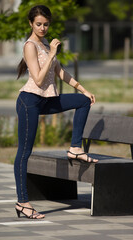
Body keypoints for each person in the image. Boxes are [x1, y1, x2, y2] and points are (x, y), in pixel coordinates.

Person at [14, 5, 98, 220]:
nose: (43, 28)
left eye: (46, 24)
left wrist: (83, 90)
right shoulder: (30, 46)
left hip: (47, 100)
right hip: (29, 102)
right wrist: (52, 53)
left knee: (82, 102)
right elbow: (39, 79)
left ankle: (75, 148)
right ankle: (23, 202)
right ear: (31, 24)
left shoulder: (43, 44)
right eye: (38, 24)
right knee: (24, 153)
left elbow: (61, 72)